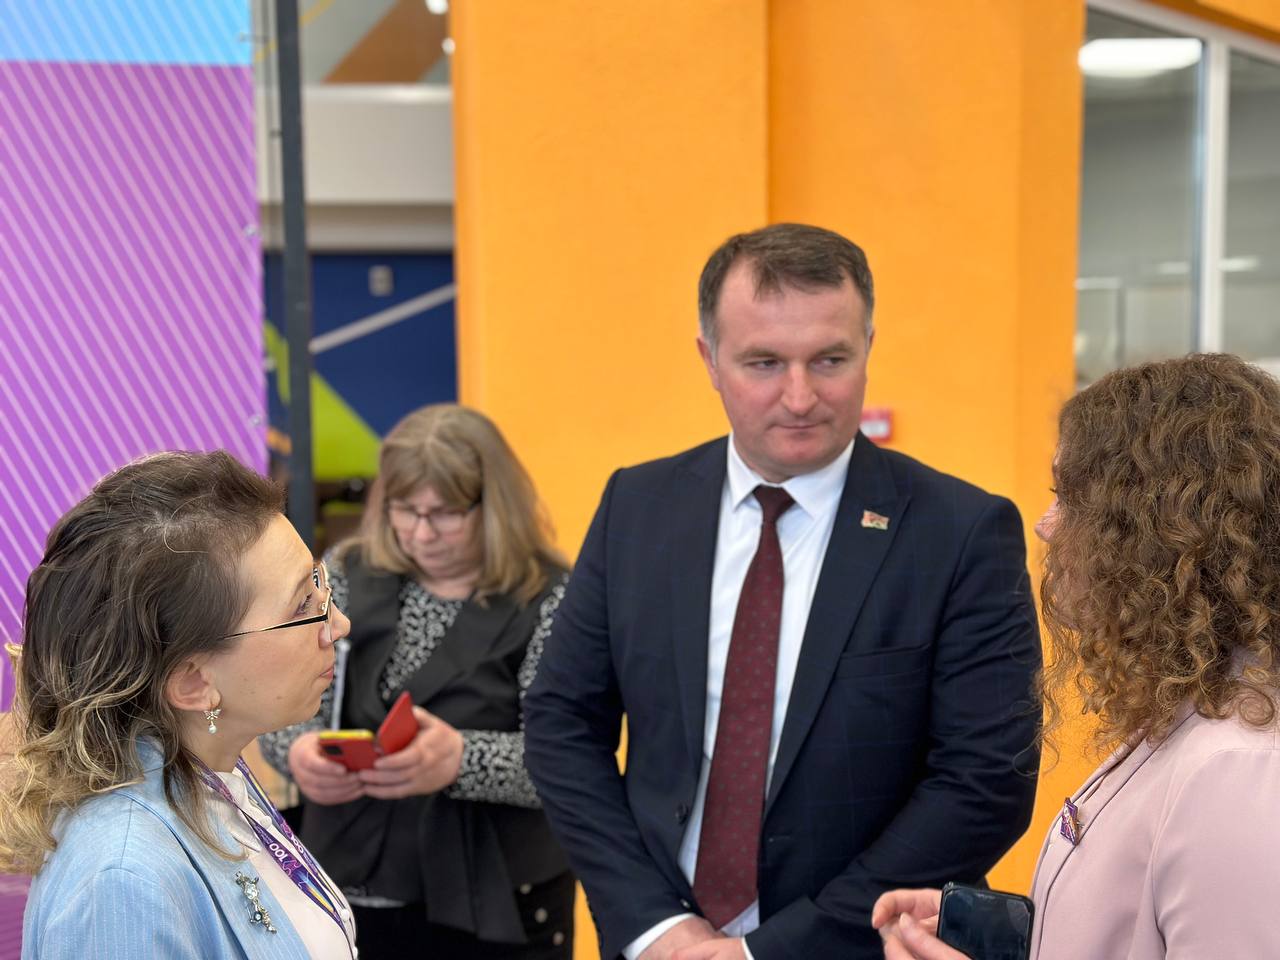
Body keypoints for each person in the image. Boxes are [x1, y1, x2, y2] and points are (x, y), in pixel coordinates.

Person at [524, 223, 1042, 960]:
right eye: (764, 363)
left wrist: (767, 952)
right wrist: (656, 927)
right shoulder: (638, 507)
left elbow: (986, 780)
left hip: (860, 948)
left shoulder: (959, 531)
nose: (800, 397)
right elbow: (561, 724)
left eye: (830, 360)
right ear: (709, 359)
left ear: (868, 348)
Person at [873, 353, 1280, 959]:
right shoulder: (1195, 708)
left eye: (1068, 498)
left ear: (1156, 529)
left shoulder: (1236, 770)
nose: (1046, 526)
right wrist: (1006, 936)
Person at [1, 450, 358, 959]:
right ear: (192, 683)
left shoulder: (209, 774)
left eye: (319, 584)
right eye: (304, 605)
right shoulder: (124, 879)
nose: (337, 624)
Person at [260, 404, 574, 959]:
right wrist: (299, 753)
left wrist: (461, 759)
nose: (422, 533)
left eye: (445, 514)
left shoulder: (550, 597)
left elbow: (568, 760)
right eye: (406, 510)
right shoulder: (348, 571)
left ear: (493, 506)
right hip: (354, 890)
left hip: (499, 901)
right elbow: (277, 704)